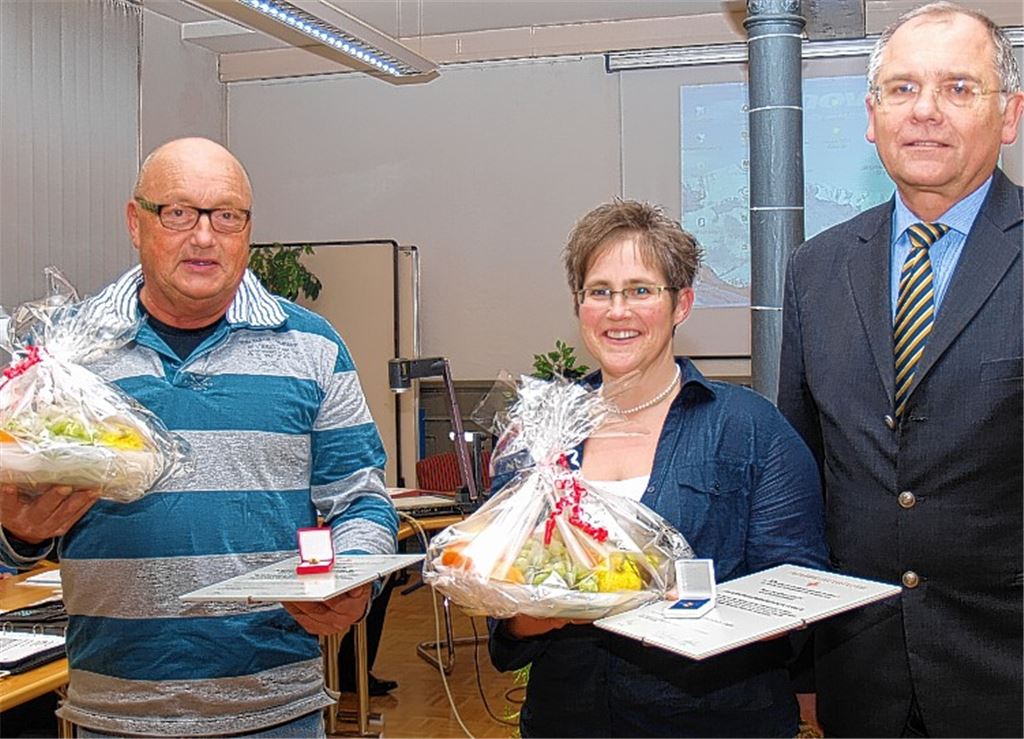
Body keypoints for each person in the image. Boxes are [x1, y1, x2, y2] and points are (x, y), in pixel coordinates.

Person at [0, 137, 399, 737]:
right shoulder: (60, 358)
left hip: (277, 710)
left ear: (247, 228)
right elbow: (12, 526)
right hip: (114, 713)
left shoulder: (314, 347)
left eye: (226, 216)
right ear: (136, 222)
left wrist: (355, 571)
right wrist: (16, 533)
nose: (205, 237)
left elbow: (360, 498)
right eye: (179, 212)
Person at [488, 200, 828, 738]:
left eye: (641, 290)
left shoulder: (751, 429)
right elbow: (506, 620)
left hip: (717, 723)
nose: (617, 310)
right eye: (599, 291)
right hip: (567, 722)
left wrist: (683, 599)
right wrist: (555, 606)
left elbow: (798, 594)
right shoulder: (540, 432)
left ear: (682, 304)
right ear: (579, 304)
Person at [777, 4, 1023, 737]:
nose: (925, 113)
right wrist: (804, 667)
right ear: (871, 114)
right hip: (862, 679)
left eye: (957, 88)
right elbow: (803, 478)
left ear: (1009, 114)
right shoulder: (816, 270)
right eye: (902, 89)